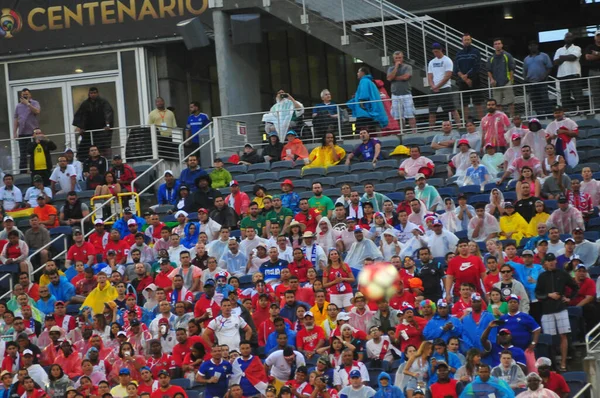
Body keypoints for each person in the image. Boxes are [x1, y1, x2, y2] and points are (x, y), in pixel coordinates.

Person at [535, 253, 579, 371]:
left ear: (555, 261)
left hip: (560, 308)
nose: (551, 262)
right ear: (545, 263)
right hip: (547, 310)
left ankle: (563, 364)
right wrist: (549, 295)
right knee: (550, 338)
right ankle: (552, 364)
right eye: (548, 260)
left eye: (552, 260)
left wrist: (569, 298)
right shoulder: (542, 276)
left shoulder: (562, 274)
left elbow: (575, 287)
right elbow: (537, 293)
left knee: (563, 335)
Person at [72, 87, 114, 158]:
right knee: (84, 149)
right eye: (91, 93)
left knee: (101, 148)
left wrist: (107, 124)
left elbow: (108, 113)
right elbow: (81, 115)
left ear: (97, 93)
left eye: (94, 93)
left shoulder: (103, 102)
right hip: (88, 131)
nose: (93, 94)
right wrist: (80, 127)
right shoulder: (85, 104)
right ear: (89, 94)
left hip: (101, 130)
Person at [427, 43, 461, 128]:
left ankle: (460, 126)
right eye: (434, 52)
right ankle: (431, 130)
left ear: (441, 50)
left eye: (437, 51)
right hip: (434, 89)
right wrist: (433, 86)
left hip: (445, 88)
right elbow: (430, 76)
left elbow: (448, 75)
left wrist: (437, 86)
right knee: (432, 111)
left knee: (452, 109)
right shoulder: (431, 62)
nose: (435, 53)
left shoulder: (447, 60)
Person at [387, 51, 417, 134]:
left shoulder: (408, 67)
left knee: (410, 114)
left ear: (402, 58)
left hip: (406, 94)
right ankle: (401, 132)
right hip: (395, 95)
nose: (398, 59)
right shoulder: (391, 68)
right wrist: (396, 67)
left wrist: (394, 77)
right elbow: (389, 78)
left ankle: (414, 132)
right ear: (393, 59)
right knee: (398, 116)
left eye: (399, 58)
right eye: (396, 58)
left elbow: (406, 77)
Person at [454, 33, 483, 121]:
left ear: (471, 41)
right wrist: (464, 77)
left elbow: (477, 66)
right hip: (462, 81)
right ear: (462, 41)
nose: (466, 41)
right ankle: (466, 122)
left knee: (478, 102)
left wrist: (467, 76)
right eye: (465, 40)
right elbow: (456, 68)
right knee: (464, 103)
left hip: (475, 79)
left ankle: (483, 122)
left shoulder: (476, 52)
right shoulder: (458, 54)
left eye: (468, 40)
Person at [553, 32, 584, 113]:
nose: (568, 39)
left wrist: (562, 57)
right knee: (565, 96)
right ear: (564, 38)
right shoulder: (559, 50)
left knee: (577, 94)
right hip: (562, 75)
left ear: (573, 38)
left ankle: (581, 111)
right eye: (566, 37)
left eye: (570, 37)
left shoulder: (577, 48)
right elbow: (555, 62)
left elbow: (573, 57)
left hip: (574, 73)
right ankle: (566, 113)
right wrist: (567, 57)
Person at [487, 38, 516, 117]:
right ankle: (500, 119)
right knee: (498, 104)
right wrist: (492, 79)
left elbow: (512, 68)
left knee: (510, 102)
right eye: (496, 44)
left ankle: (512, 118)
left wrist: (510, 80)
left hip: (507, 82)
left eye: (499, 43)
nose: (497, 45)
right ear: (493, 46)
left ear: (502, 45)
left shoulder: (507, 56)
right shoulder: (491, 58)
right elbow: (489, 70)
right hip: (496, 84)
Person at [523, 41, 553, 116]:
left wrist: (545, 76)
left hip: (542, 81)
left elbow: (549, 67)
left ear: (537, 46)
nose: (533, 47)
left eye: (534, 45)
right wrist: (525, 79)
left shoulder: (544, 55)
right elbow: (524, 70)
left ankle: (548, 114)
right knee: (535, 99)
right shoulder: (526, 59)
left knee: (544, 97)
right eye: (531, 45)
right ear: (529, 47)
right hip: (531, 82)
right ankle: (539, 115)